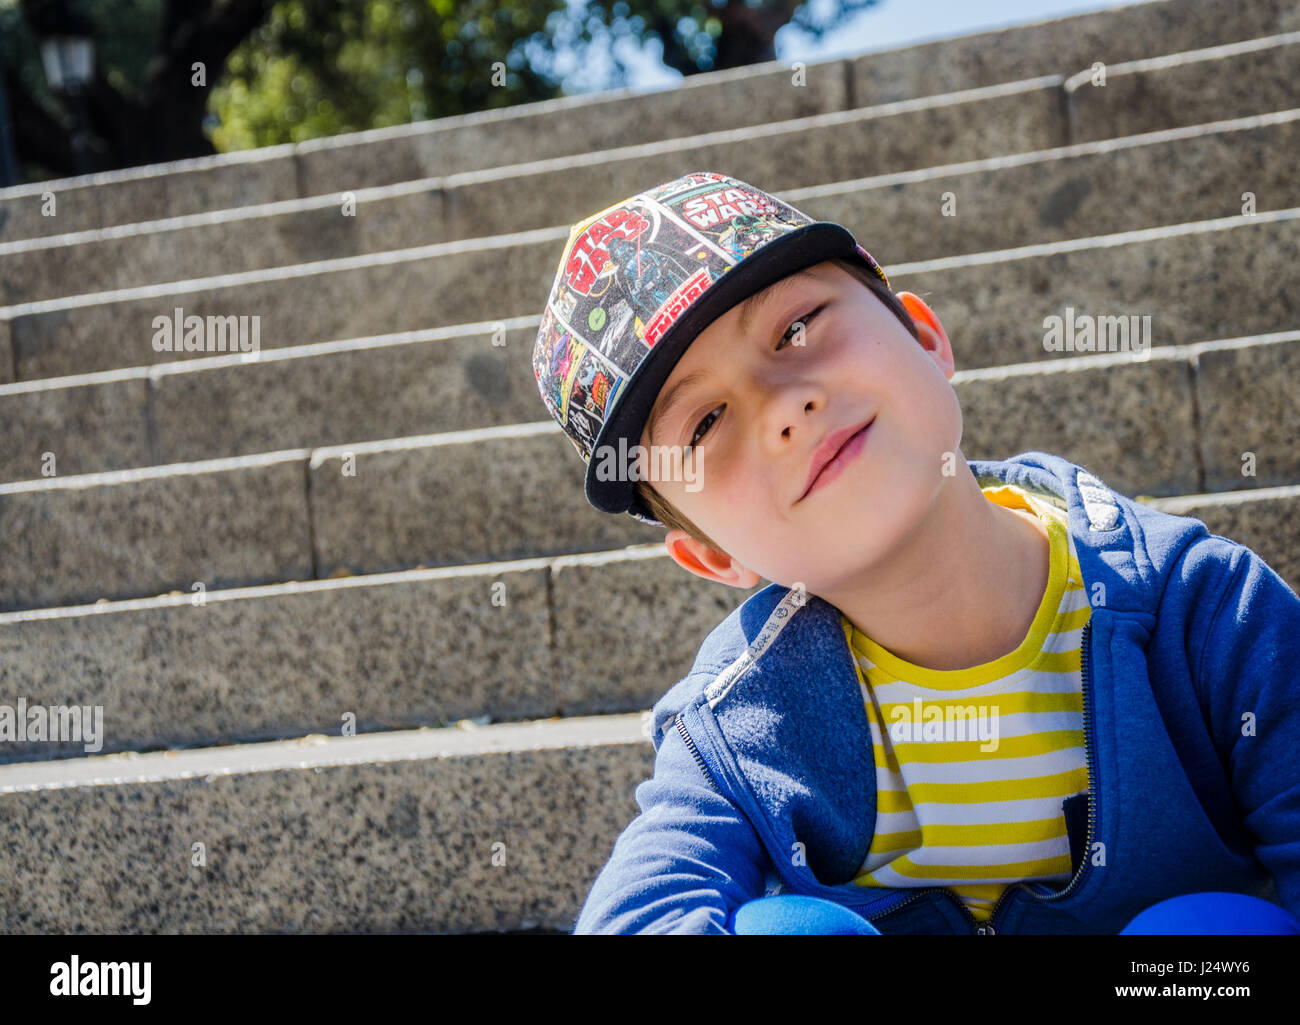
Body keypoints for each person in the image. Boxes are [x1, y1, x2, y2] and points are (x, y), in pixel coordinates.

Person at [532, 171, 1300, 934]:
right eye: (705, 424)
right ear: (712, 556)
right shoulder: (737, 726)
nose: (782, 407)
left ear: (926, 338)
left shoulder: (1205, 608)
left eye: (796, 328)